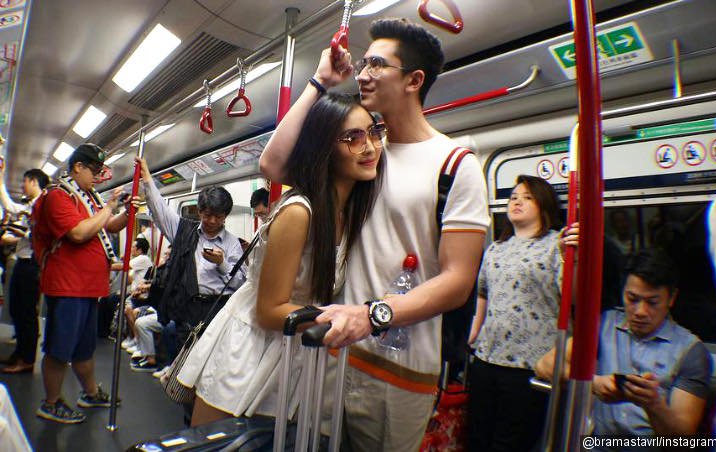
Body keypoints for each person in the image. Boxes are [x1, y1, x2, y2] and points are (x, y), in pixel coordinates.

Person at [260, 19, 489, 451]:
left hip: (397, 368)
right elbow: (273, 166)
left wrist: (372, 315)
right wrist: (321, 82)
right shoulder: (364, 152)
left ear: (414, 81)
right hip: (332, 352)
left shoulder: (455, 165)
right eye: (364, 63)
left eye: (377, 65)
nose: (363, 74)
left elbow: (458, 281)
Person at [178, 93, 384, 427]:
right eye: (353, 138)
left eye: (374, 133)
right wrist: (344, 318)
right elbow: (269, 310)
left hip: (293, 348)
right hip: (250, 348)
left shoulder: (348, 214)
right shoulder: (299, 213)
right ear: (324, 147)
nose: (370, 147)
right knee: (216, 442)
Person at [535, 249, 712, 444]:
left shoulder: (690, 351)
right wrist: (593, 383)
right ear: (622, 293)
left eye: (652, 302)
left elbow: (682, 443)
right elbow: (544, 366)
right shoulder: (604, 325)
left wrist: (654, 404)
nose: (640, 311)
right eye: (632, 299)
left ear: (671, 299)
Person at [466, 175, 577, 451]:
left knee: (510, 443)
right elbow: (483, 293)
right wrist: (474, 332)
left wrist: (570, 257)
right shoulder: (496, 248)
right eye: (514, 197)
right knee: (476, 437)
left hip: (529, 363)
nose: (517, 202)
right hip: (486, 357)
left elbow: (573, 297)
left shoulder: (557, 245)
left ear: (543, 205)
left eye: (527, 197)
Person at [31, 143, 133, 424]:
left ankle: (90, 393)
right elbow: (78, 233)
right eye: (95, 171)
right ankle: (51, 402)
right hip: (68, 287)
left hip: (89, 288)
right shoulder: (58, 196)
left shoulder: (88, 196)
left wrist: (125, 213)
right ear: (78, 167)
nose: (98, 177)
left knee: (84, 348)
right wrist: (110, 206)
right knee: (59, 348)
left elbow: (108, 226)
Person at [137, 158, 246, 344]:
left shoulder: (232, 243)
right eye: (207, 215)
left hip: (218, 309)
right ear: (199, 211)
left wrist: (222, 263)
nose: (212, 221)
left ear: (225, 216)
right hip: (187, 308)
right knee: (183, 355)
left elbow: (240, 284)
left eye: (218, 216)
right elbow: (160, 210)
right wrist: (147, 177)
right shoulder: (184, 232)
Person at [0, 165, 49, 374]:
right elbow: (11, 207)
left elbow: (41, 233)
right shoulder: (31, 205)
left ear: (34, 182)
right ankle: (19, 353)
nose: (22, 186)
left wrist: (21, 234)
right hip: (23, 262)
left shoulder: (44, 205)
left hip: (32, 264)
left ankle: (27, 359)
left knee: (27, 312)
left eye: (25, 182)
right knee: (17, 310)